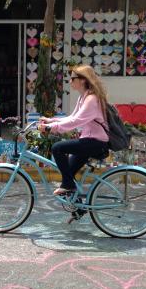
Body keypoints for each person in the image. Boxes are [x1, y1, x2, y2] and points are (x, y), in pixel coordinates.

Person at [38, 65, 109, 195]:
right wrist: (51, 121)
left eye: (72, 78)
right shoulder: (83, 97)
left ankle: (68, 186)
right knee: (68, 176)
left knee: (57, 148)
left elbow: (75, 122)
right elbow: (72, 117)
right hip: (88, 140)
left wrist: (51, 128)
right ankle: (78, 210)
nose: (70, 81)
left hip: (96, 143)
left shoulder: (91, 99)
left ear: (83, 80)